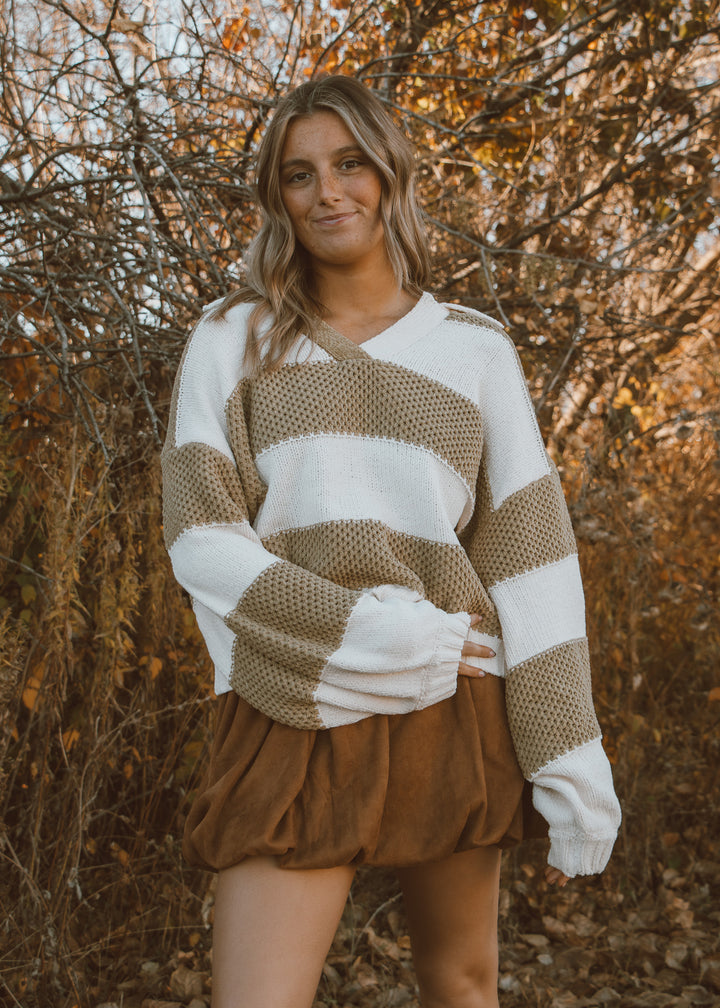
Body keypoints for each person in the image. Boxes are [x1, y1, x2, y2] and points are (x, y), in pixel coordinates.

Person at [161, 74, 621, 1008]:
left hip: (454, 703)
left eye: (349, 164)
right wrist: (373, 633)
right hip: (293, 696)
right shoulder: (232, 339)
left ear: (390, 174)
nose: (328, 192)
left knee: (461, 986)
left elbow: (533, 561)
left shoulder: (474, 347)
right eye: (299, 175)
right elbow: (200, 537)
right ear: (277, 198)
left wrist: (571, 763)